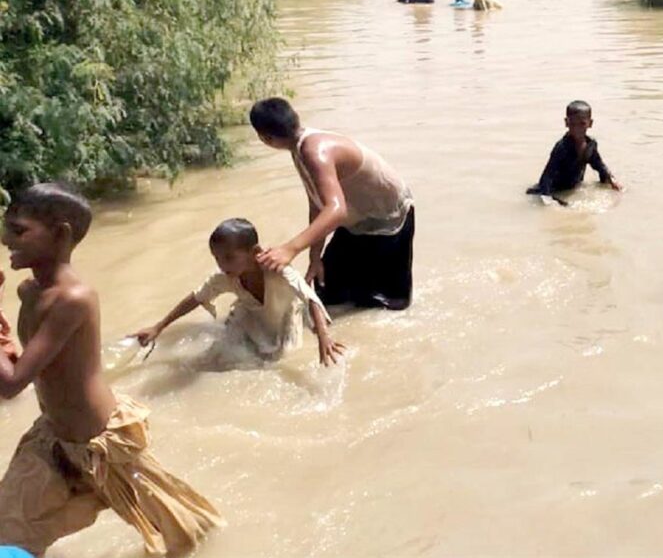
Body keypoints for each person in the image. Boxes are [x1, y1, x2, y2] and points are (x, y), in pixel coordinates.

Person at [0, 184, 224, 556]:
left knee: (184, 534)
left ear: (61, 234)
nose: (7, 240)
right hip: (52, 436)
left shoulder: (73, 299)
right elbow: (24, 367)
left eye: (19, 231)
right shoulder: (29, 291)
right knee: (8, 528)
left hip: (101, 445)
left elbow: (12, 385)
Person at [249, 98, 416, 310]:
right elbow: (317, 204)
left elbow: (336, 210)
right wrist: (314, 256)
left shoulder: (314, 151)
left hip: (391, 219)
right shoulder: (301, 148)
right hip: (360, 221)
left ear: (265, 138)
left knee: (387, 304)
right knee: (328, 292)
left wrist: (290, 248)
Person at [132, 219, 343, 366]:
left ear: (255, 253)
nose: (222, 264)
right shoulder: (226, 276)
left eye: (229, 257)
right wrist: (158, 327)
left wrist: (324, 337)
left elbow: (310, 298)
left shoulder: (277, 270)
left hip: (286, 316)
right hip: (249, 316)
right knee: (224, 357)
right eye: (217, 258)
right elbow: (196, 298)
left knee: (283, 357)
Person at [526, 101, 623, 205]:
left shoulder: (590, 145)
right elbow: (546, 178)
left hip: (571, 188)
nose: (577, 129)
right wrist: (552, 202)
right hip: (553, 190)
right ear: (566, 122)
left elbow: (599, 166)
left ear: (590, 123)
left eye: (582, 124)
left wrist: (612, 182)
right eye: (573, 124)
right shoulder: (562, 147)